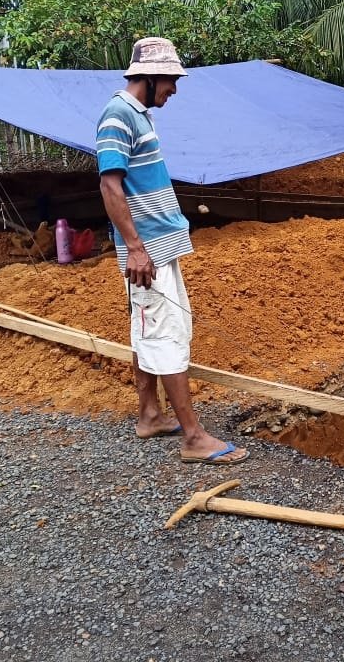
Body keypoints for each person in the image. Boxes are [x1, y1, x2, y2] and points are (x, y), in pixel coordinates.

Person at [97, 36, 248, 465]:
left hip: (156, 247)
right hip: (148, 252)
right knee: (166, 334)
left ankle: (150, 414)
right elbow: (110, 184)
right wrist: (135, 248)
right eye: (169, 81)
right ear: (147, 76)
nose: (173, 90)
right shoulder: (118, 115)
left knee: (149, 329)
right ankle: (194, 438)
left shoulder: (137, 115)